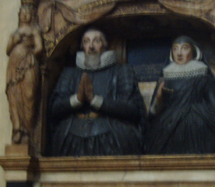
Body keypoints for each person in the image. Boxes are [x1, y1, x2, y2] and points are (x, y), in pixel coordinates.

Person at [49, 28, 145, 156]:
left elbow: (132, 110)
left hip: (111, 135)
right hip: (72, 137)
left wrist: (95, 100)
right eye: (87, 42)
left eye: (96, 41)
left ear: (104, 46)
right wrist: (77, 99)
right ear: (82, 46)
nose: (91, 46)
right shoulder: (69, 73)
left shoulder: (121, 71)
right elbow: (54, 108)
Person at [145, 36, 215, 154]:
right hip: (170, 123)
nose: (179, 53)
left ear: (194, 51)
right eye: (175, 49)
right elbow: (153, 113)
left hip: (199, 123)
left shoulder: (202, 75)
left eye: (184, 48)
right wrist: (158, 100)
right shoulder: (166, 76)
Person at [6, 5, 43, 144]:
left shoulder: (34, 30)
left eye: (28, 12)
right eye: (23, 12)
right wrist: (14, 41)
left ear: (31, 15)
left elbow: (39, 48)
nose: (25, 15)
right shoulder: (15, 32)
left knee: (29, 95)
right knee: (14, 95)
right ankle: (18, 129)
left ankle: (28, 130)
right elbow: (7, 50)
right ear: (19, 14)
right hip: (14, 65)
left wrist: (29, 54)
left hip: (29, 64)